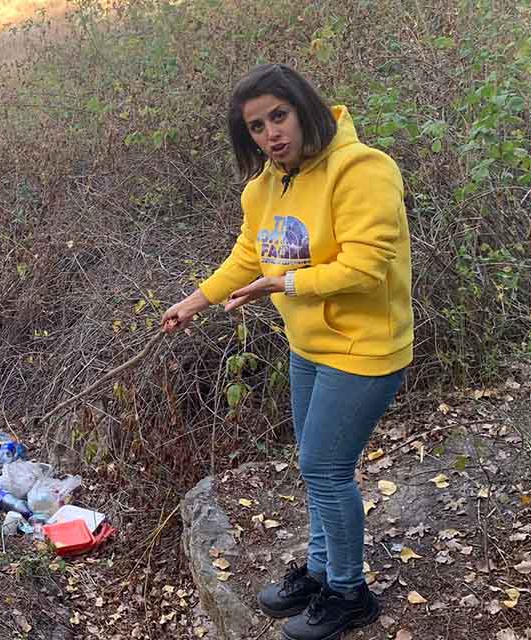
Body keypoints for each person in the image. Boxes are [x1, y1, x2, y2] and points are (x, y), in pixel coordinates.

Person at [161, 63, 412, 640]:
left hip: (365, 349)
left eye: (279, 116)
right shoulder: (266, 186)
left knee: (324, 468)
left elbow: (368, 263)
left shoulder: (363, 170)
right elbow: (250, 253)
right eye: (256, 126)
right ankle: (322, 572)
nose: (271, 133)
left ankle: (349, 593)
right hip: (310, 345)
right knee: (317, 467)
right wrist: (194, 302)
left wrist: (287, 284)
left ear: (305, 109)